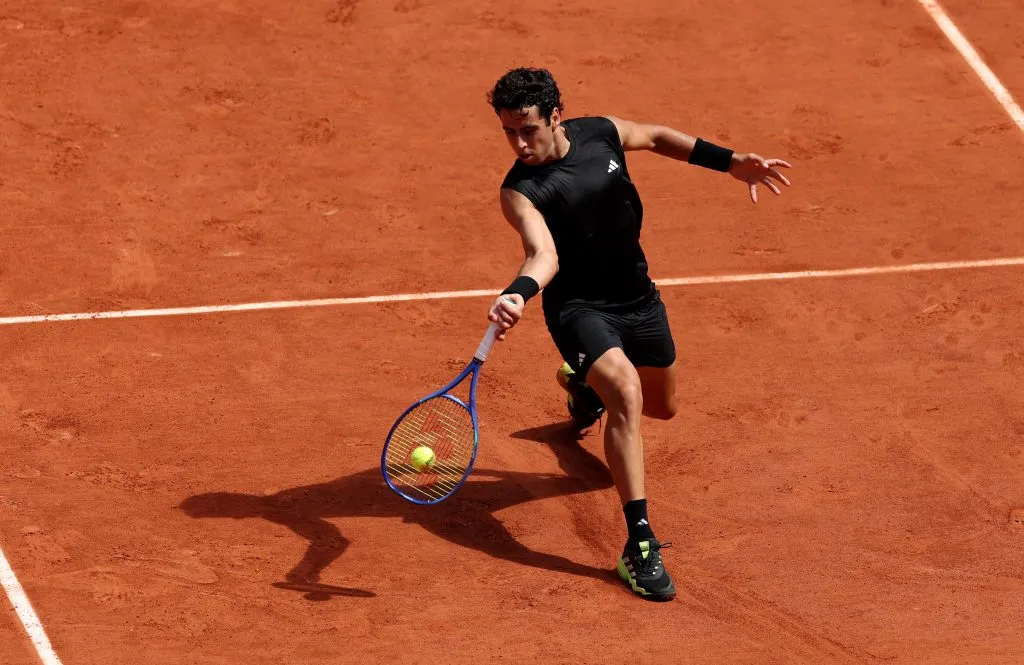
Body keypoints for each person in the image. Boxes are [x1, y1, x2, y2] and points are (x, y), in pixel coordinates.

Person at [484, 67, 792, 601]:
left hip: (637, 298)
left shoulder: (599, 131)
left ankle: (582, 383)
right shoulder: (521, 191)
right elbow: (544, 253)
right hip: (579, 308)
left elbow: (654, 136)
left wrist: (730, 162)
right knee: (625, 395)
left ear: (556, 117)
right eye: (509, 132)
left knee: (661, 409)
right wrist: (519, 292)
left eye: (527, 129)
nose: (519, 143)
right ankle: (639, 545)